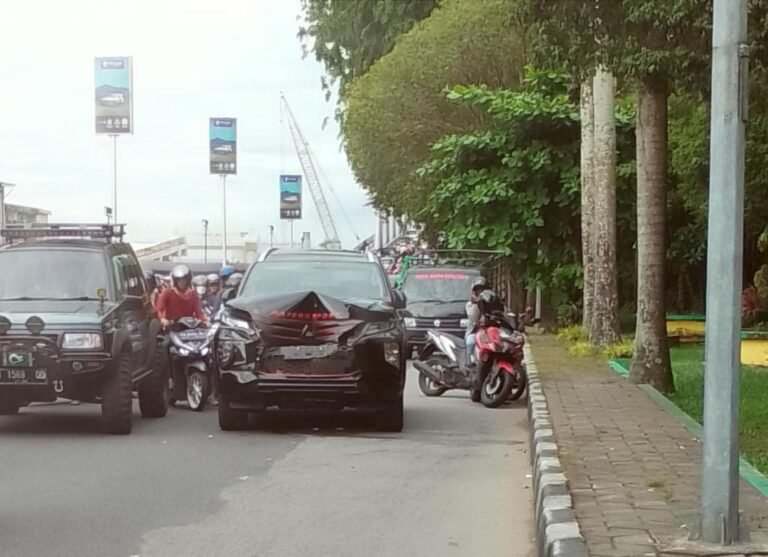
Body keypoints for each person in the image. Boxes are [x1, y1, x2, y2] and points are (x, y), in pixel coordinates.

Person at [464, 278, 487, 365]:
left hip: (490, 330)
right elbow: (473, 317)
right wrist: (476, 303)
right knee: (470, 340)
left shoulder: (491, 301)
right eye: (477, 290)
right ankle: (471, 361)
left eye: (482, 290)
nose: (480, 292)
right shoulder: (470, 305)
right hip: (476, 332)